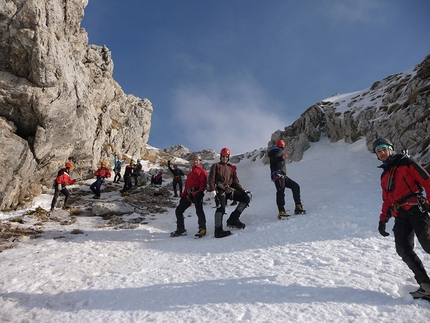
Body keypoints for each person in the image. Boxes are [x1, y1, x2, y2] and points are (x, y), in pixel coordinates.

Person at [373, 138, 430, 299]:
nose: (382, 153)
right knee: (403, 249)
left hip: (416, 209)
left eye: (384, 149)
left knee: (428, 244)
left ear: (391, 149)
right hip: (400, 215)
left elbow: (427, 181)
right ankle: (426, 286)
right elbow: (387, 200)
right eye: (378, 151)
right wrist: (383, 220)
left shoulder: (406, 162)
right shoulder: (384, 176)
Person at [208, 147, 252, 238]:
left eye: (226, 156)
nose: (224, 158)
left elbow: (235, 183)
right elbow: (211, 179)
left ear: (228, 157)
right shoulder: (216, 166)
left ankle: (233, 219)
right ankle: (218, 231)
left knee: (246, 198)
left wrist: (243, 191)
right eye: (223, 156)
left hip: (229, 190)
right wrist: (212, 189)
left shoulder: (230, 169)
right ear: (220, 156)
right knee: (221, 208)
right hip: (220, 189)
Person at [170, 155, 208, 238]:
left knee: (199, 210)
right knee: (179, 210)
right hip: (189, 194)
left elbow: (203, 183)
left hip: (197, 192)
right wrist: (183, 196)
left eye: (197, 160)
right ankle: (181, 229)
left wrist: (200, 191)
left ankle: (202, 229)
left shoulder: (202, 171)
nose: (196, 161)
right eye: (194, 160)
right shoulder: (190, 174)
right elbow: (187, 186)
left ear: (200, 161)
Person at [268, 139, 305, 219]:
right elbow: (274, 159)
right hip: (278, 174)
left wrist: (282, 157)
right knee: (281, 190)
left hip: (281, 174)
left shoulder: (276, 151)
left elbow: (274, 160)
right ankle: (282, 211)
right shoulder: (275, 151)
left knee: (294, 186)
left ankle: (297, 207)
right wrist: (282, 157)